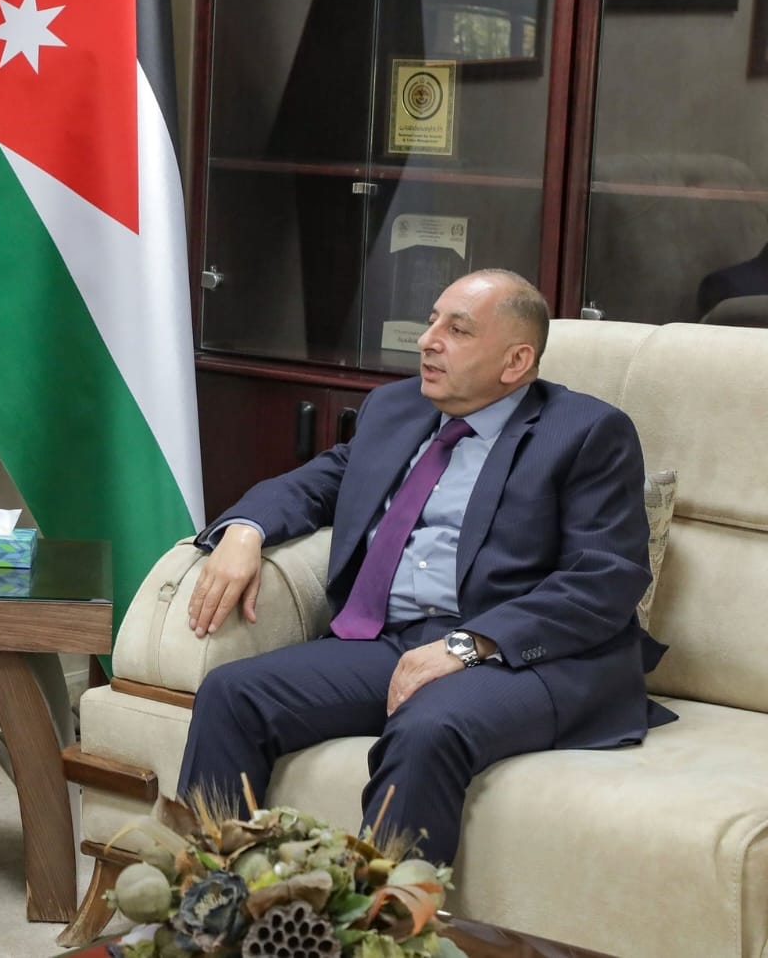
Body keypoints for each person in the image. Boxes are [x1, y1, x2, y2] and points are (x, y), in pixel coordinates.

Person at [178, 269, 673, 864]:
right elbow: (319, 483)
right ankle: (211, 897)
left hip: (523, 657)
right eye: (432, 320)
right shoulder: (396, 408)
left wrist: (468, 645)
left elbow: (603, 578)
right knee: (232, 694)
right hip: (393, 641)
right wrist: (245, 531)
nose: (427, 340)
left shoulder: (586, 433)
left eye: (457, 330)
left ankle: (387, 917)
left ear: (515, 362)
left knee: (426, 727)